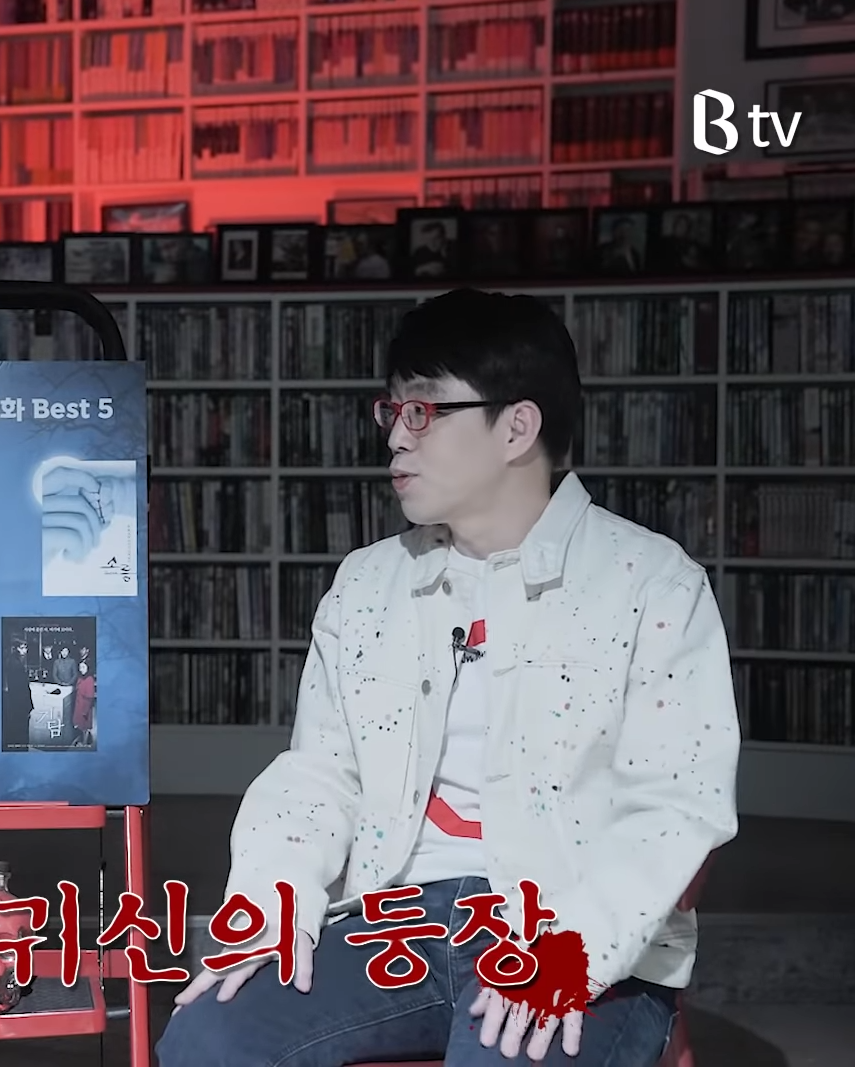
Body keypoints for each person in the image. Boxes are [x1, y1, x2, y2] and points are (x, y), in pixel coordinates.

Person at [157, 288, 739, 1067]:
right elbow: (319, 774)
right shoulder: (368, 584)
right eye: (392, 411)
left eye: (424, 411)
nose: (397, 435)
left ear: (517, 428)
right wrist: (271, 903)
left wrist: (573, 953)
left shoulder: (651, 584)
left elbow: (673, 806)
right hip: (395, 921)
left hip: (568, 926)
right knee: (210, 1035)